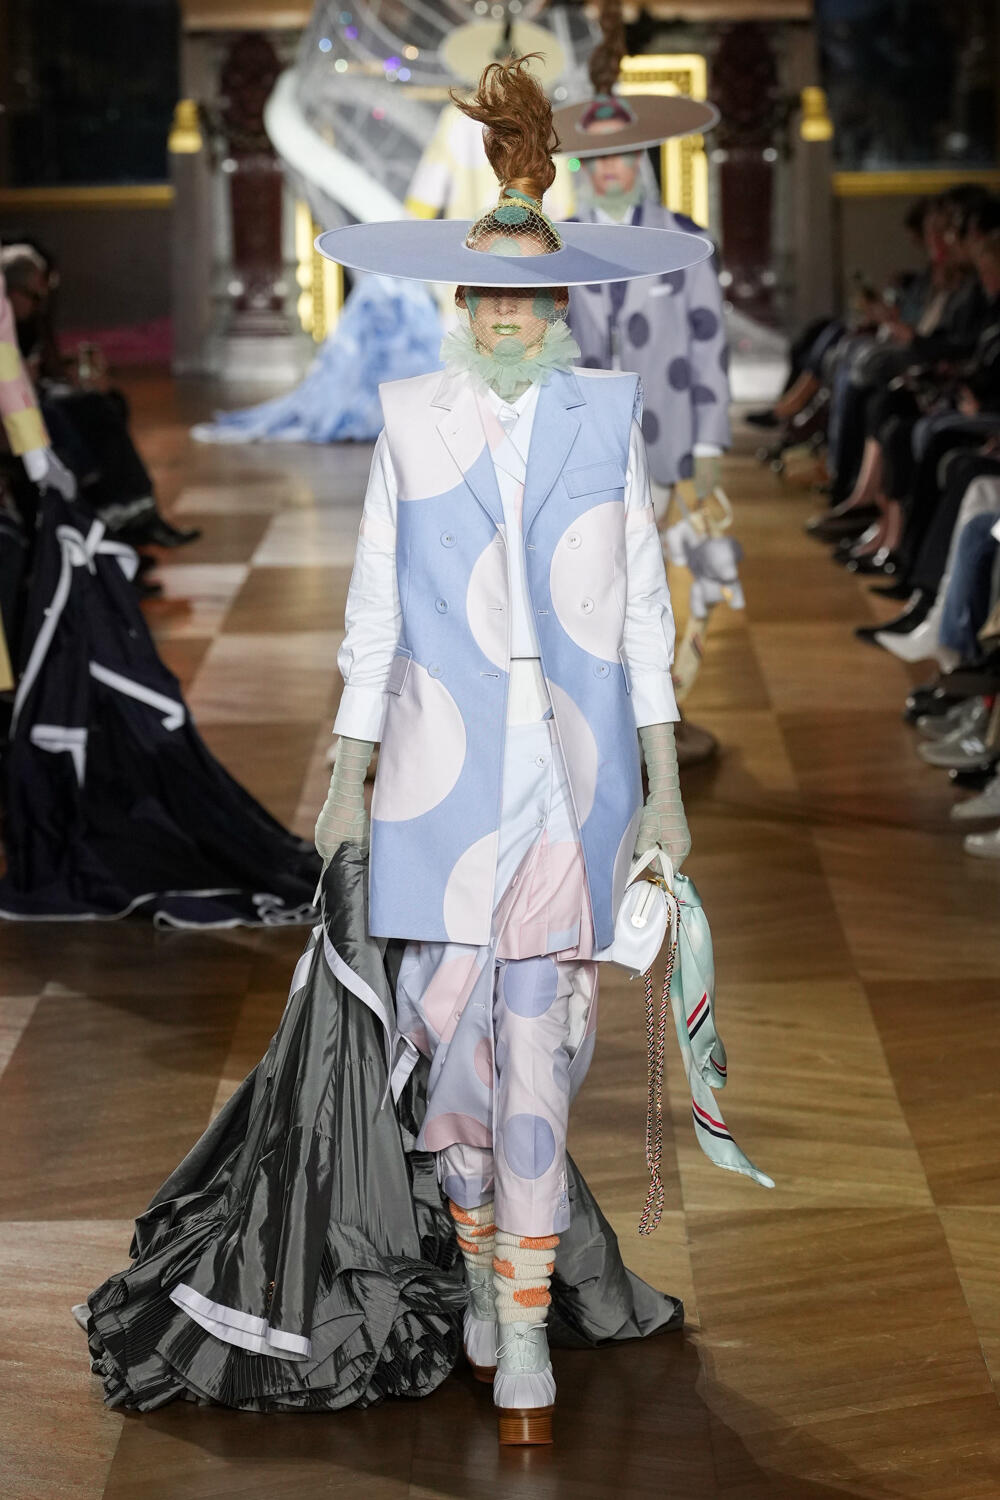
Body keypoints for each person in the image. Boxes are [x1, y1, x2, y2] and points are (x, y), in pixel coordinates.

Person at [81, 57, 734, 1445]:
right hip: (439, 782)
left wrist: (666, 792)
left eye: (527, 296)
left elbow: (638, 614)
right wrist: (344, 778)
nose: (505, 314)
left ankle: (524, 1321)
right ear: (459, 302)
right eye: (485, 295)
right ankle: (492, 1277)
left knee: (542, 1052)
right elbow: (374, 608)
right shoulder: (411, 421)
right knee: (457, 1076)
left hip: (570, 782)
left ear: (559, 305)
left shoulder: (605, 416)